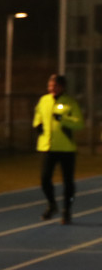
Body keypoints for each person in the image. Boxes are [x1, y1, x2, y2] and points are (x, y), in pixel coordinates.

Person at [33, 73, 83, 224]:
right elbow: (37, 116)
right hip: (47, 147)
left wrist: (64, 119)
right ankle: (52, 204)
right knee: (44, 179)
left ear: (62, 87)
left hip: (66, 149)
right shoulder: (43, 100)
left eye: (55, 86)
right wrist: (37, 125)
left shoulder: (70, 103)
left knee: (68, 182)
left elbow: (79, 123)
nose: (51, 88)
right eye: (50, 85)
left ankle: (67, 210)